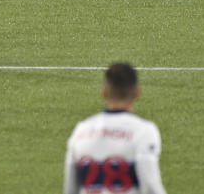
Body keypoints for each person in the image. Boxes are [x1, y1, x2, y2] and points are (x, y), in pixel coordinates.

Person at [64, 62, 166, 194]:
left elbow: (70, 190)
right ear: (137, 93)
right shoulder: (144, 131)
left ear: (105, 92)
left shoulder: (80, 131)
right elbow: (150, 186)